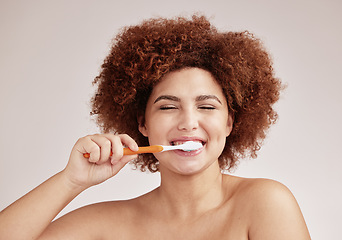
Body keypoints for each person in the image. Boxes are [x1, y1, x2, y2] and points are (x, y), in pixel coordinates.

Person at [0, 15, 311, 239]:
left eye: (206, 106)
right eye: (167, 106)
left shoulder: (265, 203)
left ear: (230, 122)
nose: (189, 122)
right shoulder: (108, 224)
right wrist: (71, 181)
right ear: (142, 124)